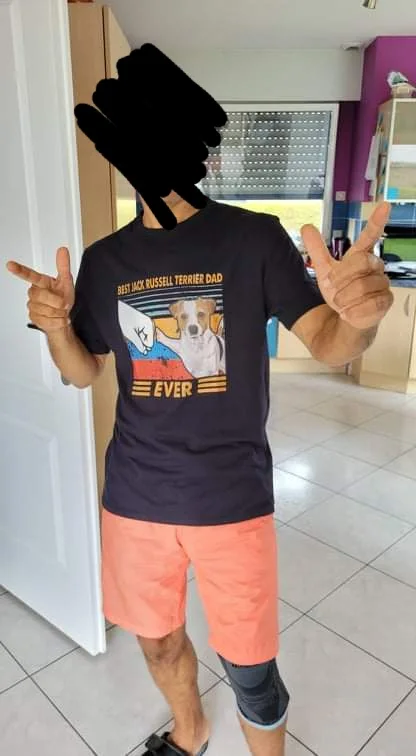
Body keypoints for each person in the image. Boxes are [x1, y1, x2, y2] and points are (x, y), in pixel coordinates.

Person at [7, 195, 392, 756]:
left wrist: (360, 322)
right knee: (157, 642)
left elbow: (328, 342)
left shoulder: (255, 238)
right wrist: (57, 330)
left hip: (231, 496)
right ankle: (191, 731)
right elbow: (83, 372)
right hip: (135, 493)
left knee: (251, 669)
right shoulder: (105, 259)